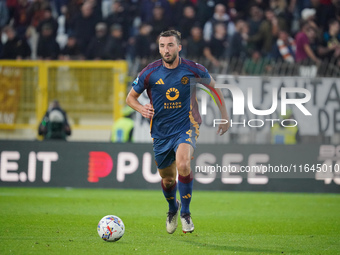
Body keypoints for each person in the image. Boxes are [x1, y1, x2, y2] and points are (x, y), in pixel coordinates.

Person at [126, 30, 229, 234]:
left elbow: (215, 89)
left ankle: (186, 214)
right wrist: (141, 108)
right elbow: (130, 98)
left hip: (187, 125)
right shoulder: (149, 72)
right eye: (162, 46)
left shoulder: (193, 69)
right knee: (168, 178)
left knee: (183, 164)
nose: (166, 50)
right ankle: (173, 208)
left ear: (179, 47)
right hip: (161, 132)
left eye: (170, 45)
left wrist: (224, 115)